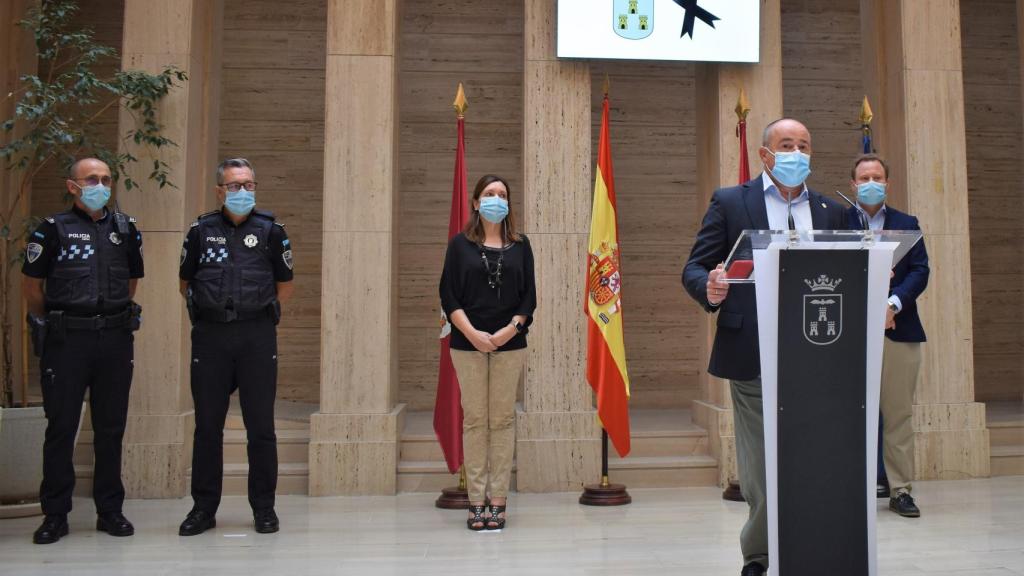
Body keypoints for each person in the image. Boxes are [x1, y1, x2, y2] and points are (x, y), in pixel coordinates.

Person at [682, 119, 846, 576]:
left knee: (815, 464)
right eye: (786, 145)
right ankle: (760, 556)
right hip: (753, 352)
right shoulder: (732, 201)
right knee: (761, 468)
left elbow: (851, 274)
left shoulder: (832, 210)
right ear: (765, 154)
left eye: (805, 145)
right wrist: (711, 286)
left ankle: (813, 549)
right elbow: (695, 267)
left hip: (823, 355)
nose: (797, 153)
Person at [22, 157, 144, 544]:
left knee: (110, 428)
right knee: (61, 428)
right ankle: (55, 514)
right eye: (92, 178)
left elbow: (131, 281)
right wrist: (61, 321)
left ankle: (110, 511)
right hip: (66, 341)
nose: (101, 184)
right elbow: (32, 289)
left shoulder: (125, 230)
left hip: (113, 338)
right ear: (72, 186)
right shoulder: (51, 230)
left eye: (106, 179)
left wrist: (107, 315)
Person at [177, 158, 294, 536]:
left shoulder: (272, 230)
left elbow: (284, 284)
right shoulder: (200, 230)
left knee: (260, 427)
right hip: (211, 337)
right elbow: (186, 281)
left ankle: (264, 508)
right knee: (207, 426)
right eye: (233, 186)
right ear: (219, 191)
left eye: (248, 185)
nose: (242, 192)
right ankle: (203, 509)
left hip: (256, 336)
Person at [439, 174, 536, 531]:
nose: (497, 199)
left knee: (503, 419)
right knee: (476, 420)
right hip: (468, 343)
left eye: (503, 195)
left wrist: (510, 329)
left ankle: (499, 499)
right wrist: (474, 334)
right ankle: (476, 500)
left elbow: (530, 296)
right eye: (490, 194)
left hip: (511, 342)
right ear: (477, 203)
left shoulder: (521, 245)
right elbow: (448, 295)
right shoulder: (459, 245)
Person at [847, 153, 928, 518]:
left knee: (898, 415)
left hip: (899, 331)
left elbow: (920, 272)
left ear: (888, 182)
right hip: (848, 335)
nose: (870, 183)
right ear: (853, 184)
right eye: (864, 177)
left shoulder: (906, 223)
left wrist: (891, 306)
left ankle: (900, 490)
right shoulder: (837, 220)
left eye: (877, 176)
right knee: (848, 414)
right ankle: (850, 488)